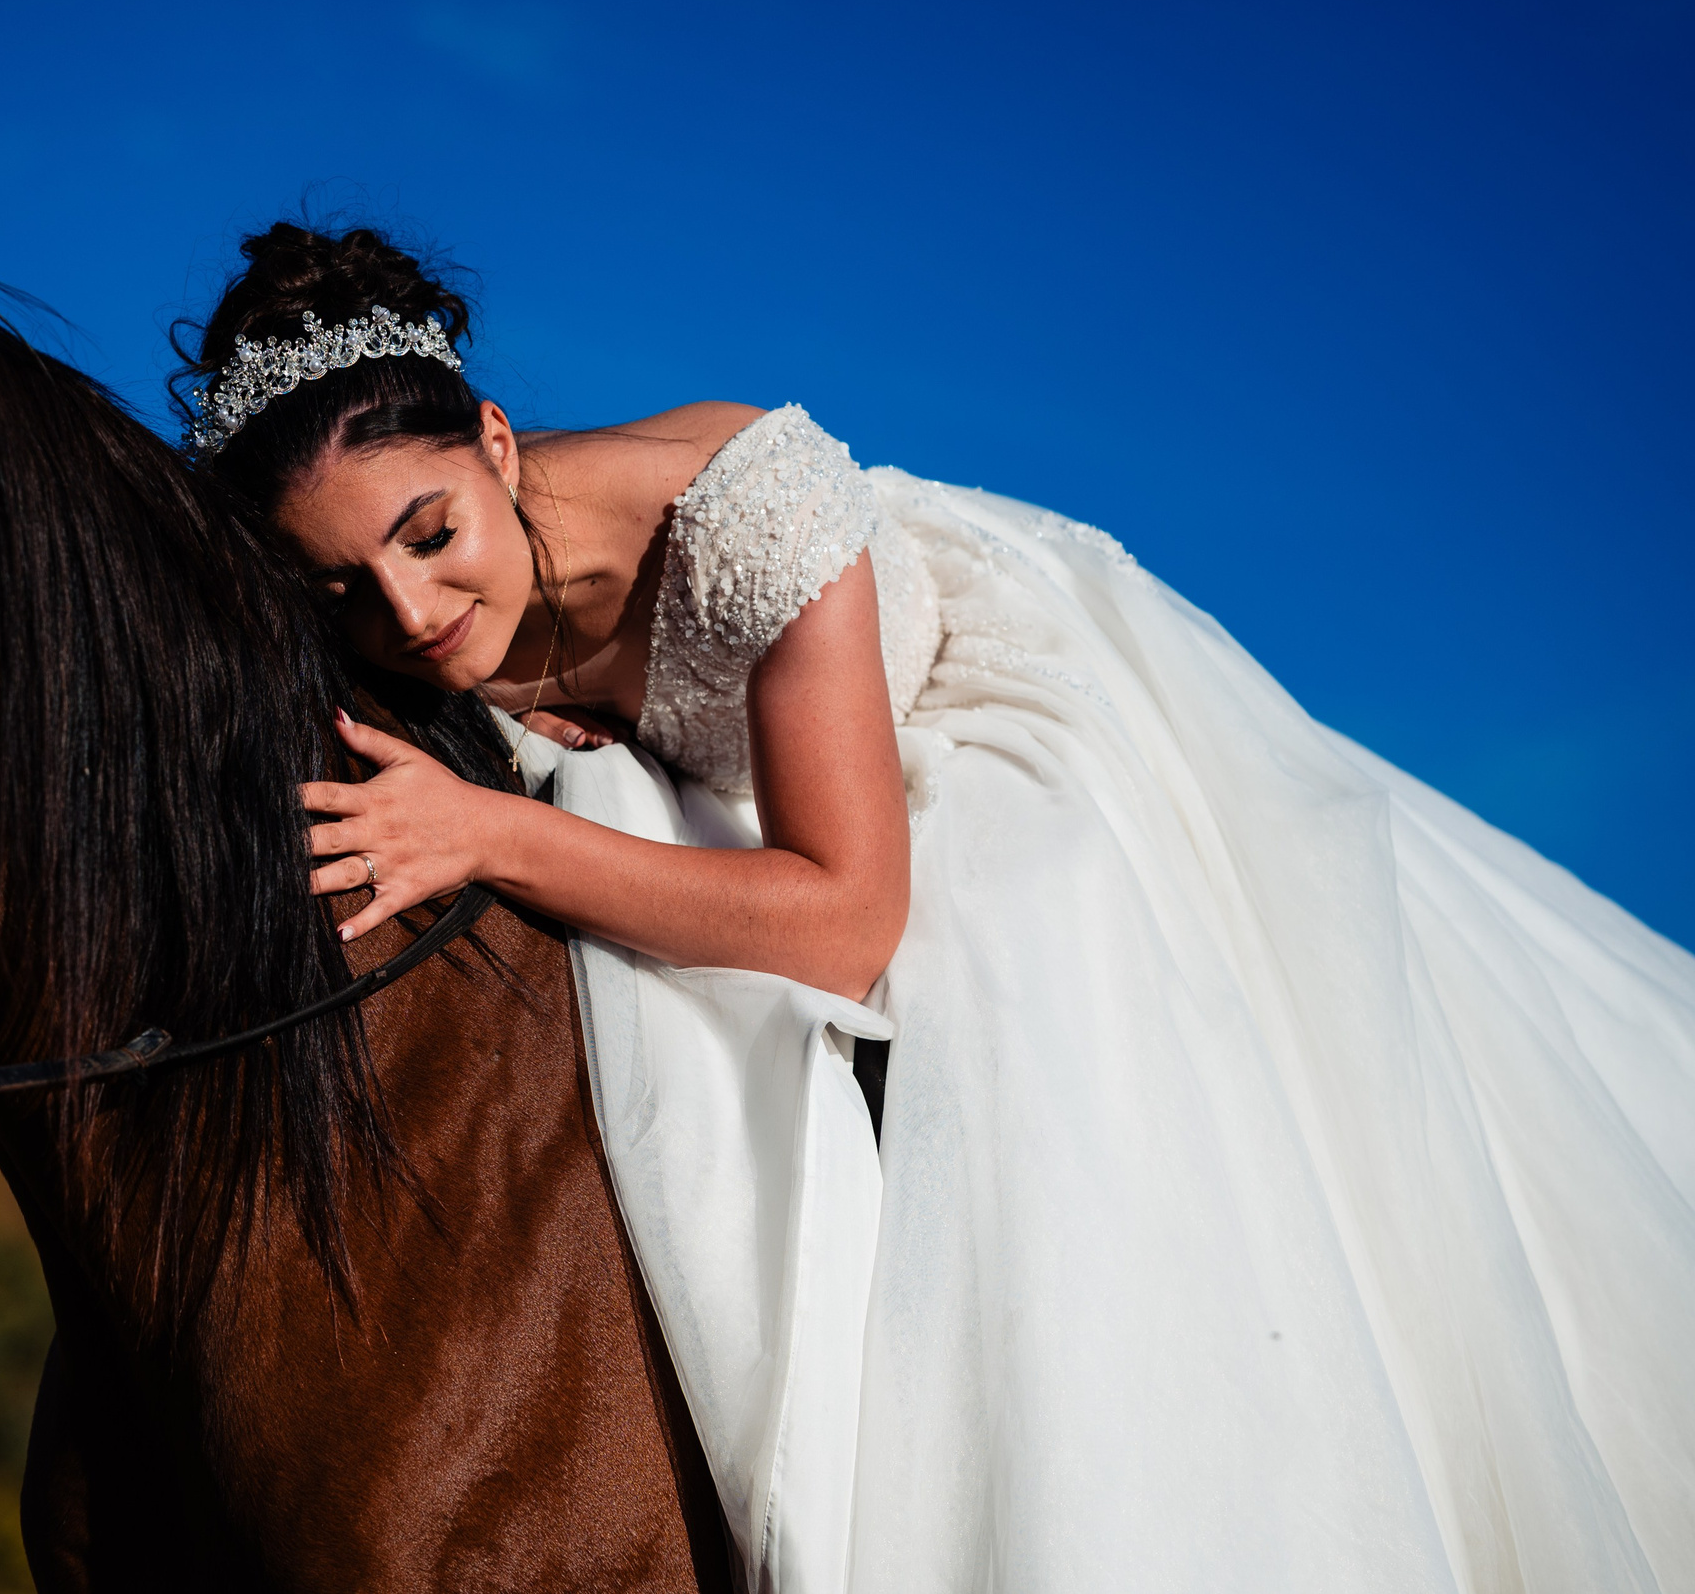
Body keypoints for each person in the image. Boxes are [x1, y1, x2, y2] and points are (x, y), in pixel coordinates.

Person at [175, 222, 1695, 1593]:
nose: (412, 617)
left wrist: (495, 836)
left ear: (495, 444)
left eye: (430, 532)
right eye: (338, 590)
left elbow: (848, 922)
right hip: (739, 817)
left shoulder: (747, 503)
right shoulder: (391, 624)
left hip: (961, 749)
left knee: (1039, 964)